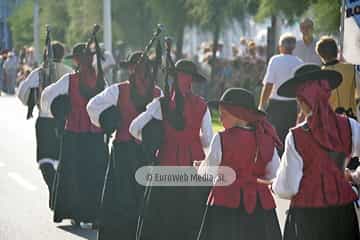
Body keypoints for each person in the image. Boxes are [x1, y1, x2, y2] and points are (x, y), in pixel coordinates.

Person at [272, 64, 360, 240]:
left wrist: (275, 185)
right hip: (343, 212)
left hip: (308, 215)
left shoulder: (296, 136)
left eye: (299, 99)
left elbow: (288, 187)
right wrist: (355, 176)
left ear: (304, 100)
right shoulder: (350, 126)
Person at [129, 59, 213, 240]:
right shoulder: (202, 105)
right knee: (191, 215)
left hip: (166, 164)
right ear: (192, 80)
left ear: (174, 79)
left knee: (162, 214)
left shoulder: (161, 104)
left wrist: (151, 140)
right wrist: (191, 139)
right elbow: (207, 140)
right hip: (194, 167)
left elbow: (134, 128)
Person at [87, 51, 162, 240]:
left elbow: (92, 106)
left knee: (123, 194)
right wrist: (110, 120)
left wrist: (107, 121)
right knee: (137, 193)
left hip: (129, 149)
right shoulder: (156, 92)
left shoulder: (121, 90)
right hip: (139, 151)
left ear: (131, 68)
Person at [194, 88, 282, 240]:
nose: (220, 119)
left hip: (226, 203)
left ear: (239, 114)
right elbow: (273, 173)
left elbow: (208, 173)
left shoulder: (221, 139)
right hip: (259, 206)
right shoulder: (266, 138)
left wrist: (199, 167)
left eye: (224, 115)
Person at [41, 43, 107, 228]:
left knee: (74, 173)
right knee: (95, 173)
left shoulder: (69, 80)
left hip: (75, 134)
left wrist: (54, 112)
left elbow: (47, 96)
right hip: (95, 134)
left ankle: (77, 213)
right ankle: (94, 214)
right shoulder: (101, 79)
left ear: (77, 60)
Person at [17, 41, 73, 207]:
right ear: (62, 55)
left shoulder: (39, 73)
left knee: (45, 160)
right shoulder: (69, 72)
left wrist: (33, 100)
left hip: (45, 121)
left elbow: (22, 93)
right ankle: (60, 192)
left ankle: (54, 188)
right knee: (61, 159)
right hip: (65, 121)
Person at [258, 33, 303, 144]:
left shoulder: (275, 60)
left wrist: (261, 105)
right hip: (291, 106)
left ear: (281, 46)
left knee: (273, 138)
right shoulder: (299, 62)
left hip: (275, 105)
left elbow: (268, 85)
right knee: (287, 139)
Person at [316, 36, 357, 117]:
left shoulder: (318, 76)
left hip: (329, 121)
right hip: (351, 120)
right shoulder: (352, 68)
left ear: (320, 55)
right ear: (337, 51)